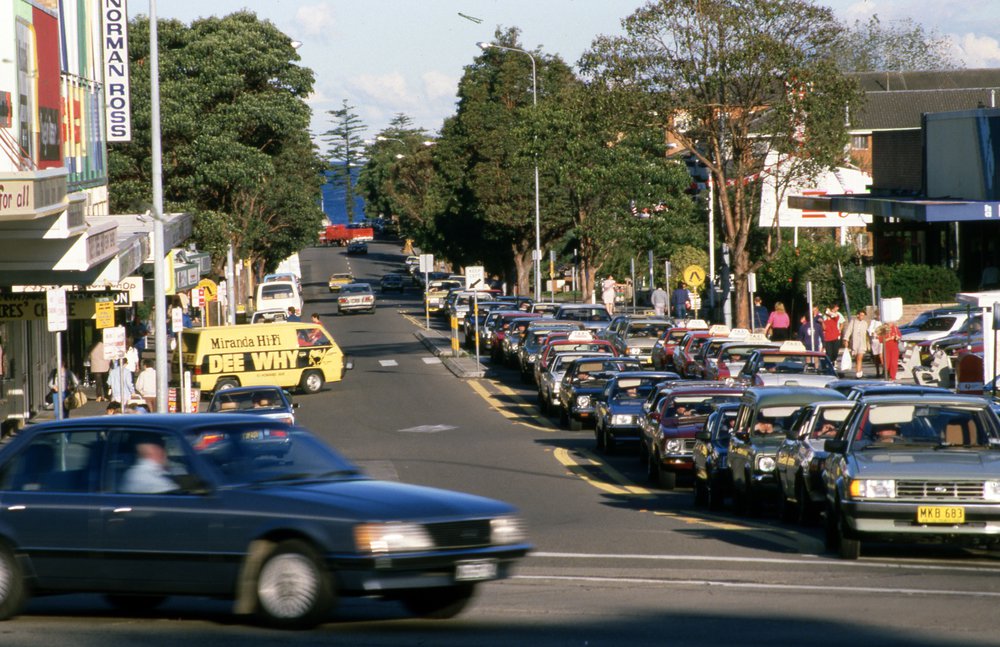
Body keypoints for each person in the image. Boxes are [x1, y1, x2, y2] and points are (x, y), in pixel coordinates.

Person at [842, 309, 869, 378]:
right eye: (861, 315)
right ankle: (859, 370)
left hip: (862, 342)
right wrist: (846, 339)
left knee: (860, 357)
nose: (862, 317)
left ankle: (858, 373)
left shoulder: (865, 323)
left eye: (863, 315)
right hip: (855, 342)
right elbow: (849, 331)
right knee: (857, 358)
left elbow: (867, 333)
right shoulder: (853, 322)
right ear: (858, 315)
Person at [868, 309, 884, 378]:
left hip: (882, 340)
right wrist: (874, 334)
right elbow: (870, 330)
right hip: (875, 340)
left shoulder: (883, 322)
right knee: (876, 356)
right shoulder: (873, 322)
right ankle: (877, 371)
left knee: (881, 355)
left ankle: (884, 370)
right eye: (878, 315)